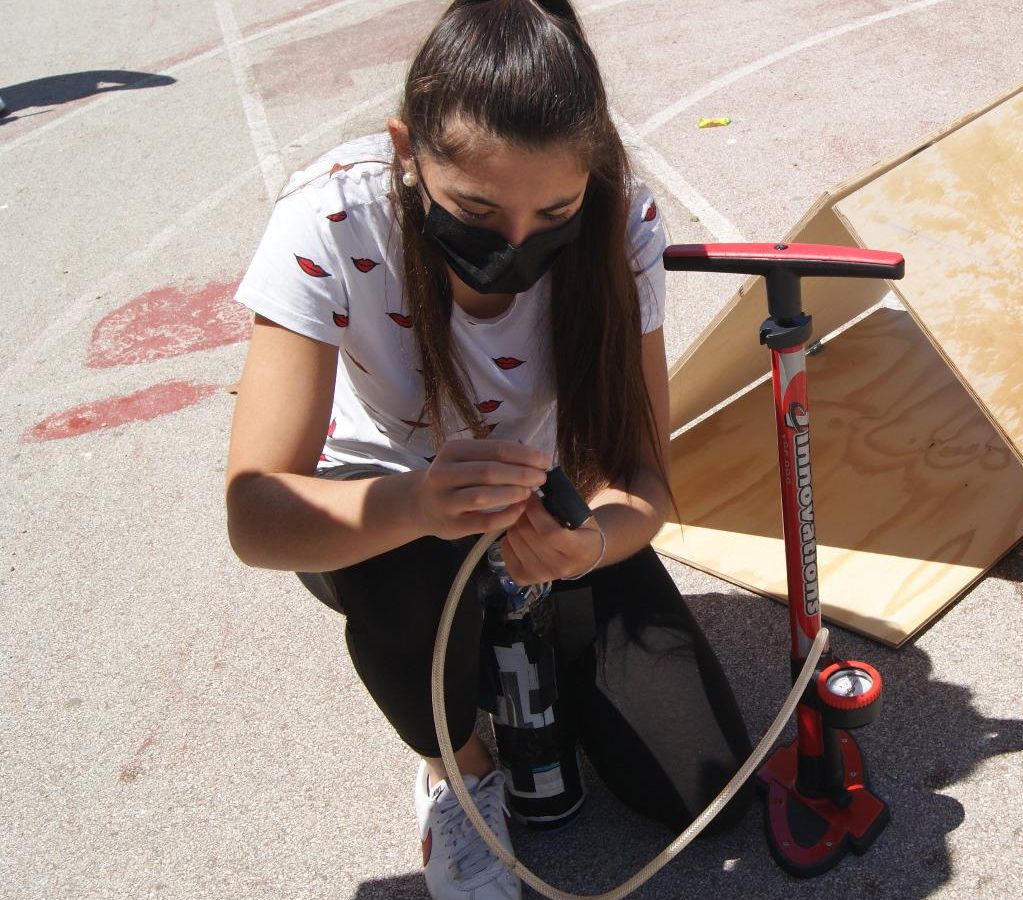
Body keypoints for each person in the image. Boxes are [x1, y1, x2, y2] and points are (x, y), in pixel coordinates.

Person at [223, 2, 752, 897]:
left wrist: (585, 547)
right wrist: (415, 503)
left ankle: (532, 630)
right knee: (413, 575)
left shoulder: (621, 225)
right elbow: (256, 512)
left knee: (702, 790)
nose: (513, 247)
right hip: (387, 504)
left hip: (550, 503)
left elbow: (645, 483)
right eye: (473, 207)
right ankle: (458, 768)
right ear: (404, 149)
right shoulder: (331, 218)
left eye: (555, 210)